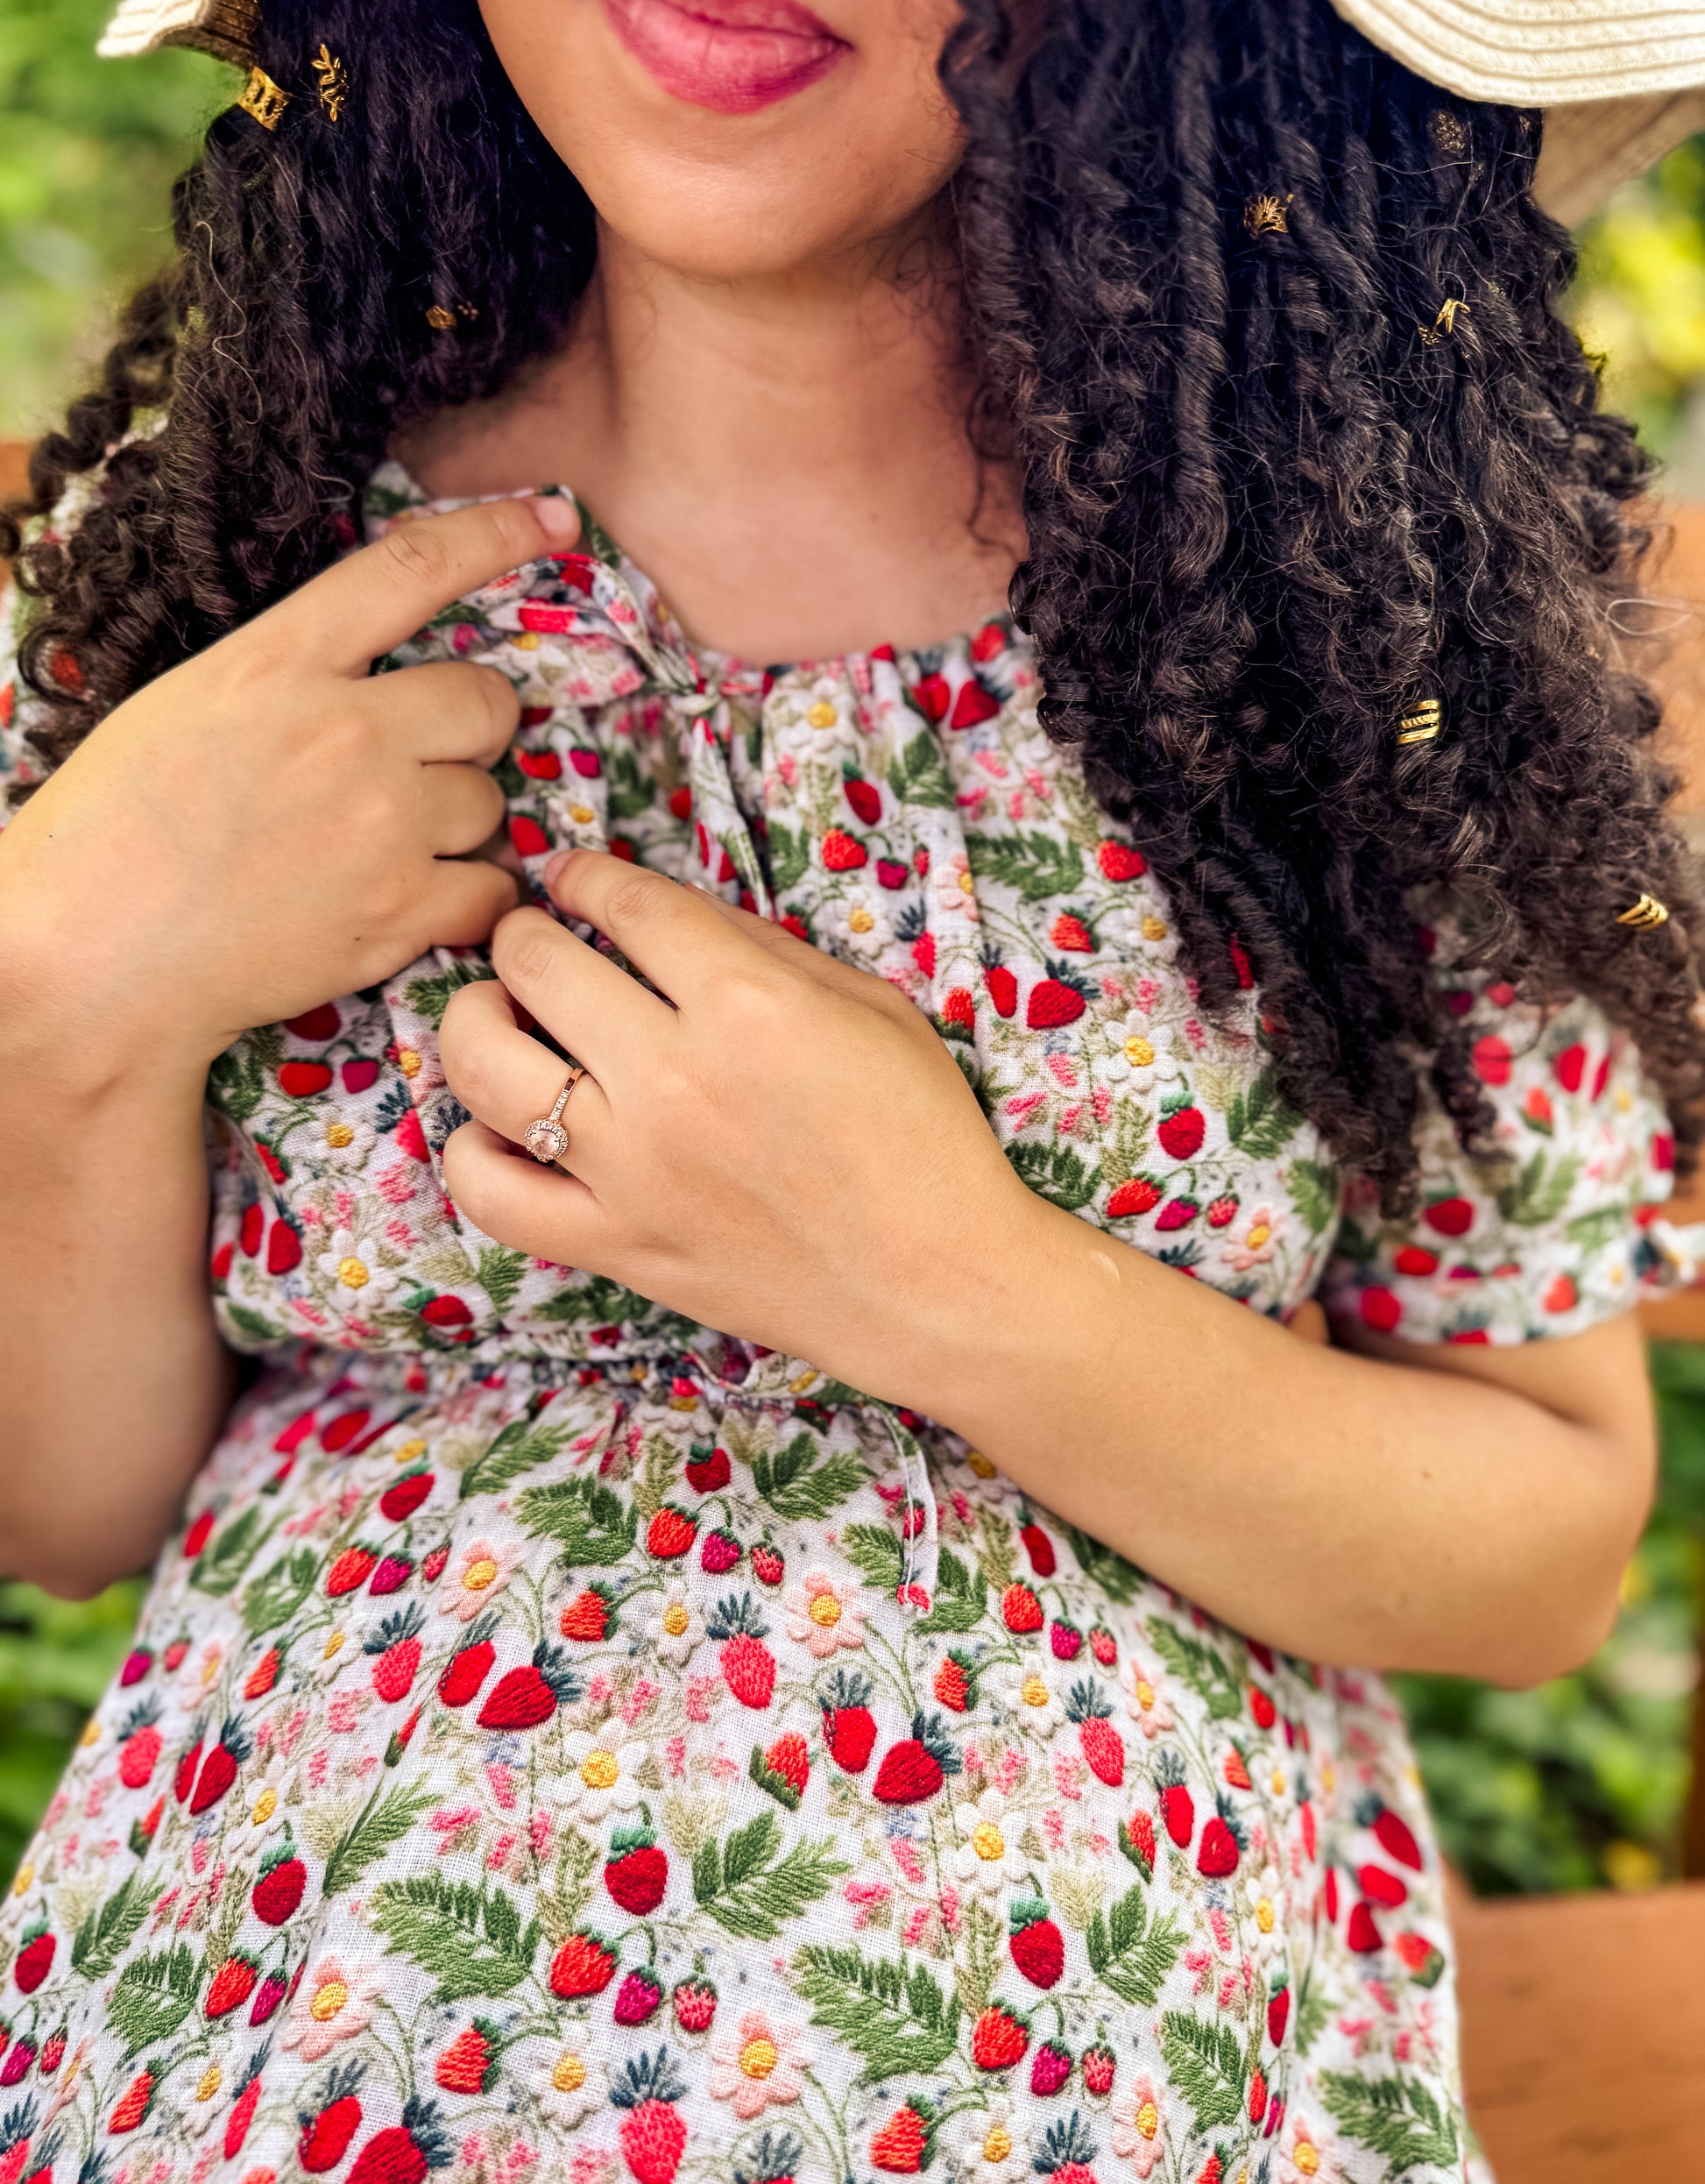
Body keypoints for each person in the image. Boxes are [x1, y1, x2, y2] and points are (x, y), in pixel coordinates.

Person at [2, 0, 1703, 2175]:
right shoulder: (226, 576)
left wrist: (939, 1278)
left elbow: (1542, 1548)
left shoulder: (1348, 646)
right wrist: (57, 992)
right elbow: (64, 1513)